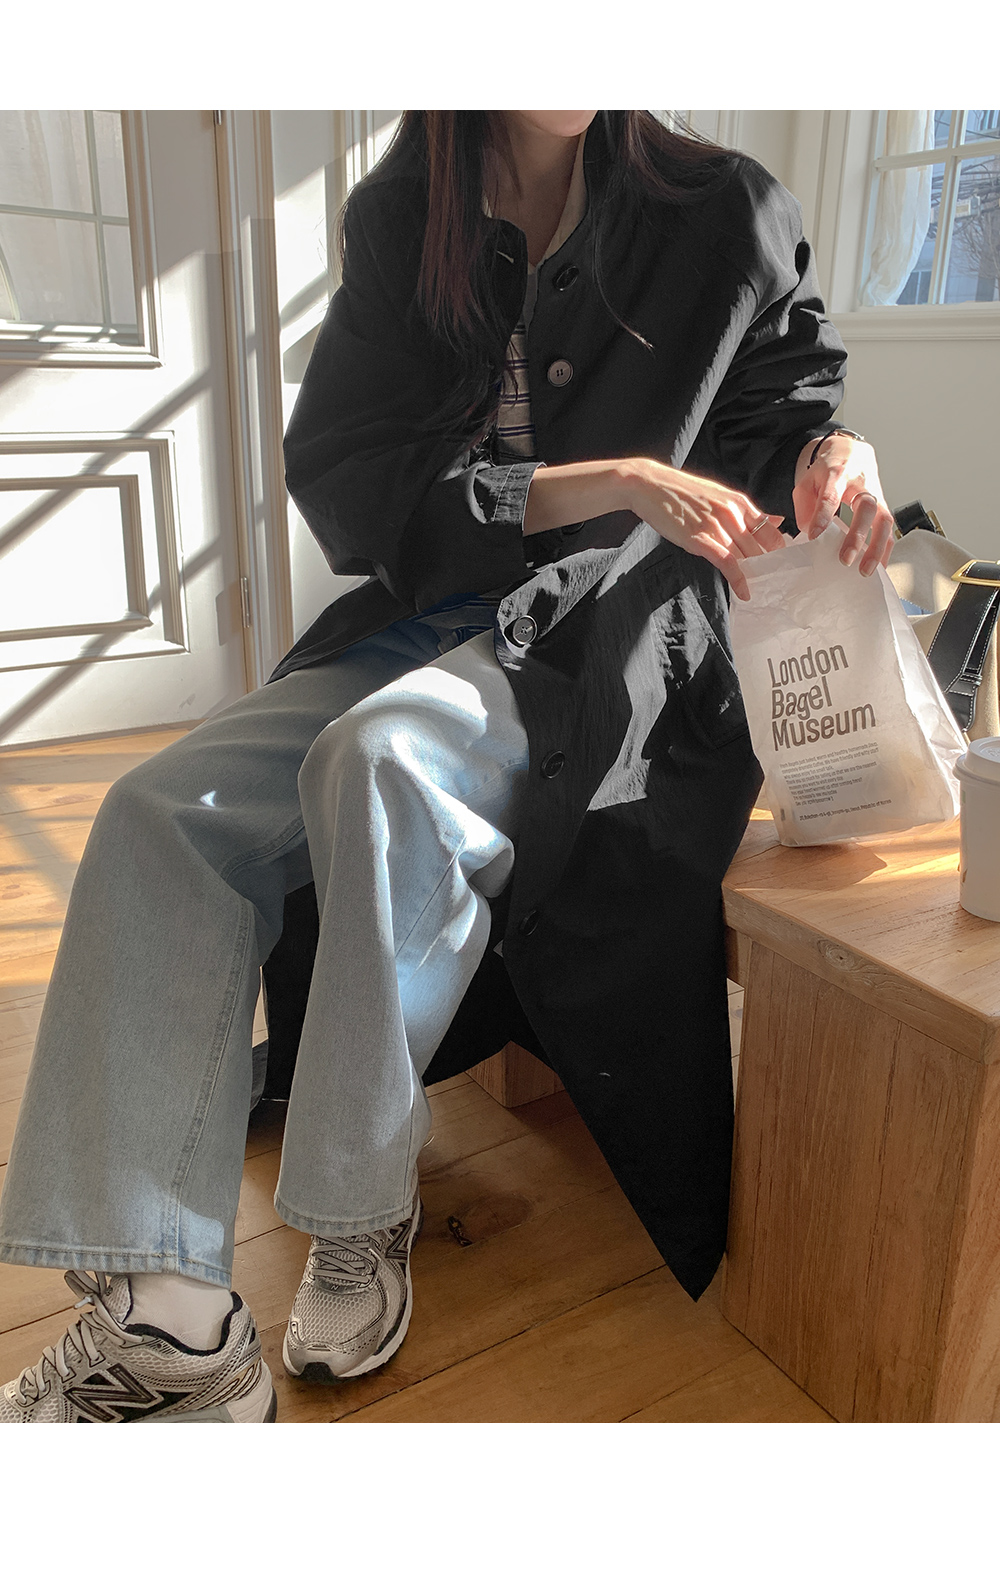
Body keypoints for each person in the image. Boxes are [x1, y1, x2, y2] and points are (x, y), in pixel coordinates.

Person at [0, 110, 894, 1423]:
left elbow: (788, 406)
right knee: (158, 810)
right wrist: (596, 478)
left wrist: (835, 460)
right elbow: (349, 474)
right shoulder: (403, 215)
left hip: (618, 641)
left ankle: (356, 1213)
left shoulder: (724, 205)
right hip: (432, 611)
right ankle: (175, 1330)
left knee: (380, 763)